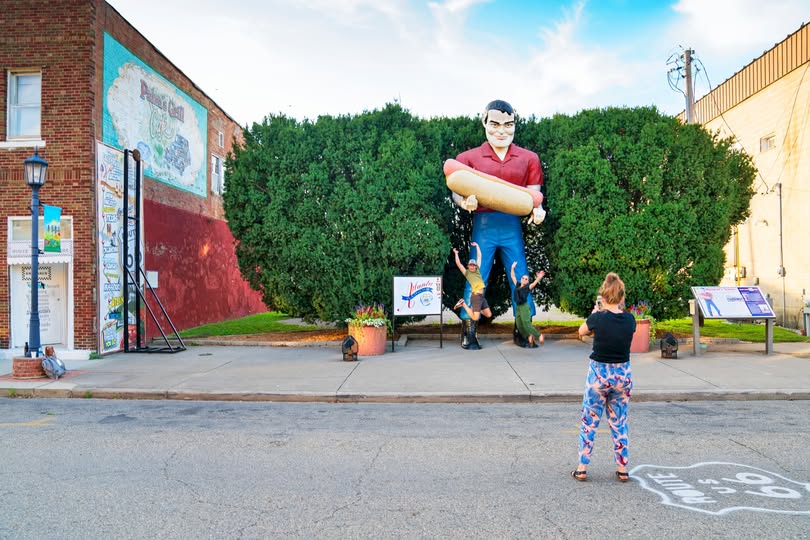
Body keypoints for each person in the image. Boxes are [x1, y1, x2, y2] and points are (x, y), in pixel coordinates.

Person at [450, 99, 546, 347]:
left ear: (515, 124)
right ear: (484, 122)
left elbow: (534, 196)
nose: (501, 130)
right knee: (476, 276)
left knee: (520, 276)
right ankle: (469, 329)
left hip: (512, 225)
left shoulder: (529, 158)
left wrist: (538, 210)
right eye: (495, 124)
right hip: (484, 224)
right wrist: (463, 202)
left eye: (508, 124)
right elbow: (456, 188)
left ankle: (524, 328)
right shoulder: (468, 158)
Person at [572, 272, 636, 483]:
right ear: (622, 297)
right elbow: (617, 329)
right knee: (619, 422)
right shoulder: (630, 320)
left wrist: (594, 314)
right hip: (622, 375)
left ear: (604, 296)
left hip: (599, 374)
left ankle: (582, 468)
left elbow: (581, 332)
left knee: (589, 421)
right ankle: (622, 469)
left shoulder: (597, 318)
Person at [452, 242, 492, 349]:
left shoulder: (478, 270)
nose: (472, 266)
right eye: (470, 265)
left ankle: (474, 309)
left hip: (481, 297)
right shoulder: (467, 273)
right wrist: (456, 253)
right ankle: (464, 305)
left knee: (488, 315)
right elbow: (458, 264)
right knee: (475, 317)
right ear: (468, 266)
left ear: (475, 266)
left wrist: (477, 246)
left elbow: (479, 256)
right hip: (475, 297)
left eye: (474, 265)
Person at [510, 262, 545, 348]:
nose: (524, 280)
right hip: (518, 307)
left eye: (526, 279)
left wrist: (538, 278)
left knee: (526, 323)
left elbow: (534, 284)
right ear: (521, 279)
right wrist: (512, 268)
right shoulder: (518, 285)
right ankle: (529, 335)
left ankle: (539, 335)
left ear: (527, 281)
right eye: (523, 278)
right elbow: (513, 276)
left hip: (524, 307)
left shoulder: (527, 287)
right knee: (519, 325)